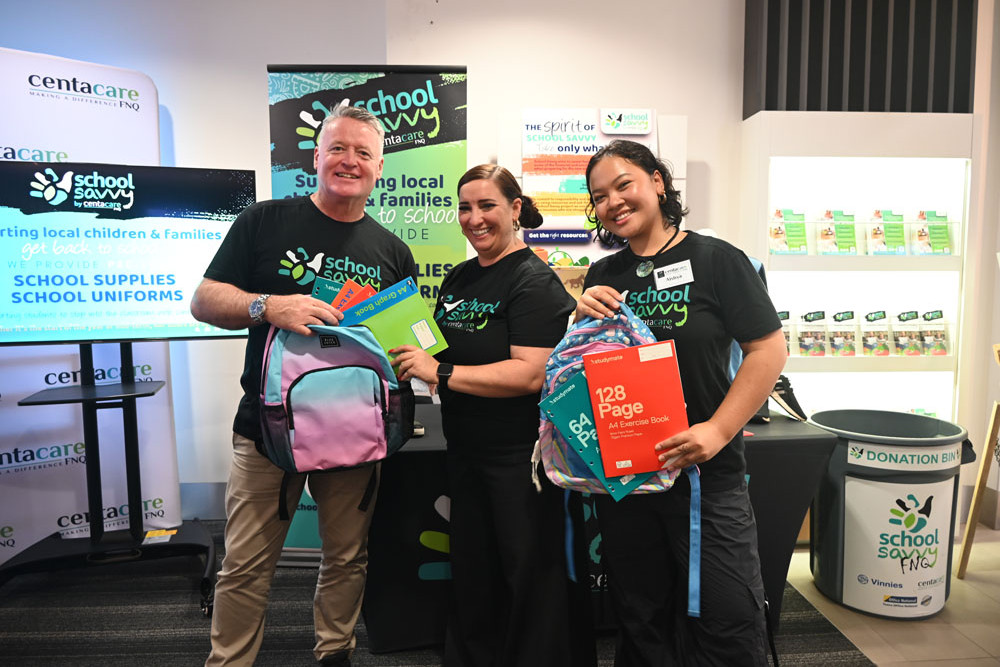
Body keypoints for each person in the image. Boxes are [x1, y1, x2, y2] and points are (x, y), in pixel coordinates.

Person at [191, 103, 417, 667]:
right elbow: (203, 302)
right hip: (268, 428)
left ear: (380, 168)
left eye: (363, 152)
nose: (349, 160)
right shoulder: (264, 222)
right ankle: (229, 662)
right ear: (315, 157)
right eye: (337, 147)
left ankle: (334, 653)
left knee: (346, 556)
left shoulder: (392, 251)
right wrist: (269, 305)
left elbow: (409, 346)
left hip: (354, 429)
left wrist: (415, 357)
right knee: (245, 562)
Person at [575, 140, 787, 665]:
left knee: (726, 614)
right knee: (641, 617)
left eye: (624, 184)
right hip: (630, 479)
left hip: (704, 480)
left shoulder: (718, 261)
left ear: (658, 182)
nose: (614, 202)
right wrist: (578, 324)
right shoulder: (605, 276)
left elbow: (768, 350)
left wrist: (716, 430)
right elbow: (594, 371)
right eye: (600, 196)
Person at [390, 165, 595, 667]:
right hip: (466, 447)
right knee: (475, 567)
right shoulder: (460, 276)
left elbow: (529, 374)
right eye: (465, 207)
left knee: (528, 570)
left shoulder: (534, 281)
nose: (474, 218)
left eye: (487, 206)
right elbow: (433, 346)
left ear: (515, 209)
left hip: (519, 456)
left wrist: (440, 372)